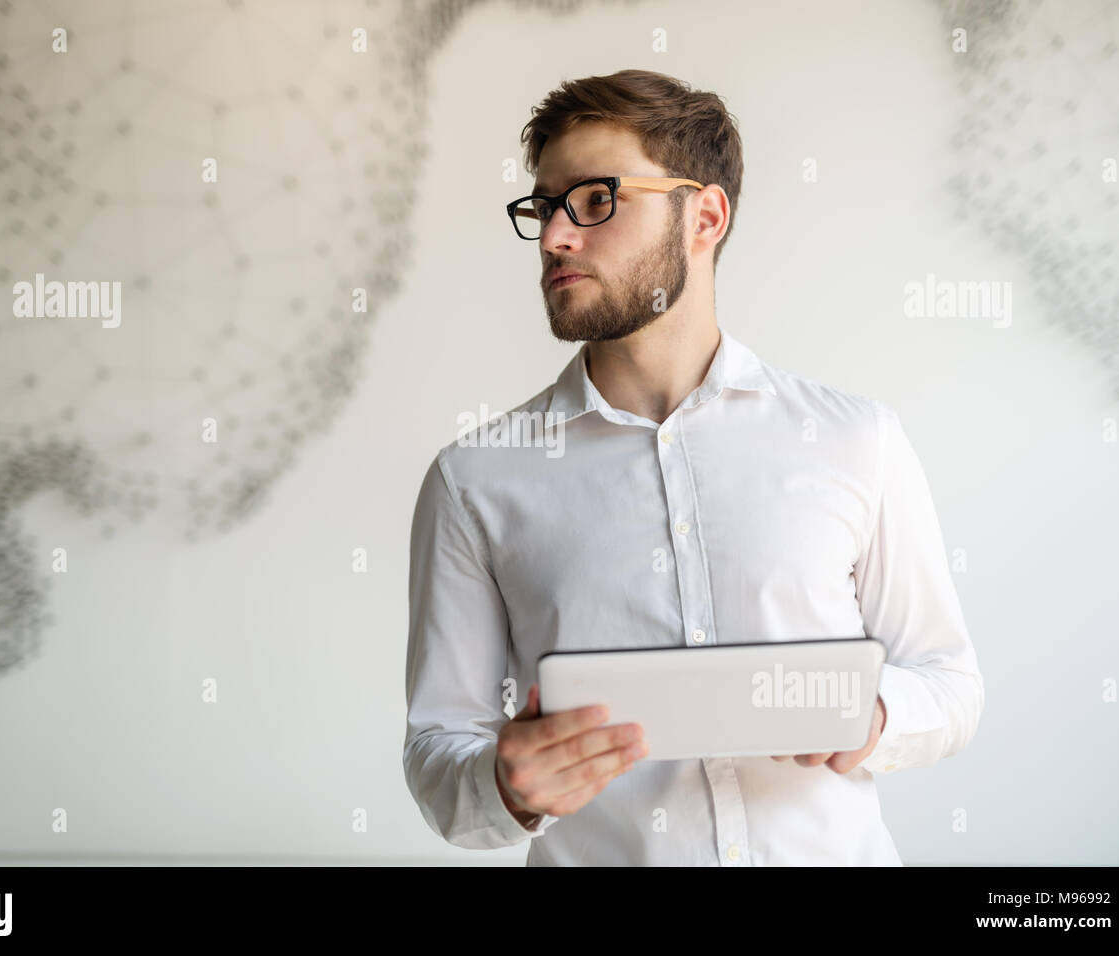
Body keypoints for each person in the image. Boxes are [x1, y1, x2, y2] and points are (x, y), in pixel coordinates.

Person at [402, 69, 983, 865]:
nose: (554, 237)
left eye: (597, 200)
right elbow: (439, 752)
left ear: (704, 215)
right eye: (544, 206)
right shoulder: (474, 482)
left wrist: (872, 716)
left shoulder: (856, 440)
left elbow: (950, 686)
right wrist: (504, 788)